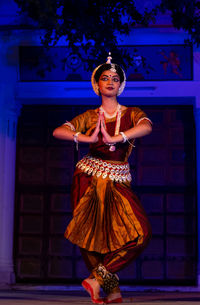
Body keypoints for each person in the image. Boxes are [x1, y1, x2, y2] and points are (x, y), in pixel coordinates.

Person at [53, 53, 152, 304]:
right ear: (96, 85)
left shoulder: (131, 114)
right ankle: (112, 291)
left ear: (121, 85)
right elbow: (59, 131)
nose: (110, 82)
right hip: (88, 176)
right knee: (90, 237)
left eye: (115, 79)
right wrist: (85, 138)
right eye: (105, 78)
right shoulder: (89, 116)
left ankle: (98, 279)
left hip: (118, 179)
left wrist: (117, 137)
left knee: (141, 234)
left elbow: (147, 126)